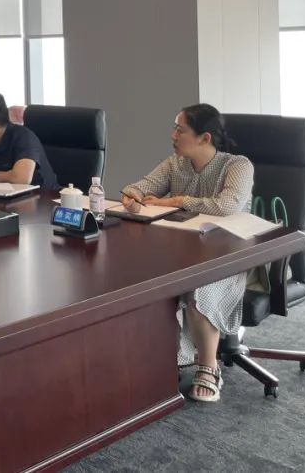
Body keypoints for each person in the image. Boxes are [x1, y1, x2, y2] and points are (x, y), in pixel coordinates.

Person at [121, 104, 254, 404]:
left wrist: (176, 201)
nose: (173, 135)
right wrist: (134, 196)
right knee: (147, 280)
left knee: (199, 286)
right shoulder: (176, 164)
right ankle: (163, 357)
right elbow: (139, 186)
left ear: (204, 138)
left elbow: (227, 206)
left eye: (180, 130)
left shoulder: (237, 166)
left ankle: (209, 366)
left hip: (230, 255)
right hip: (184, 251)